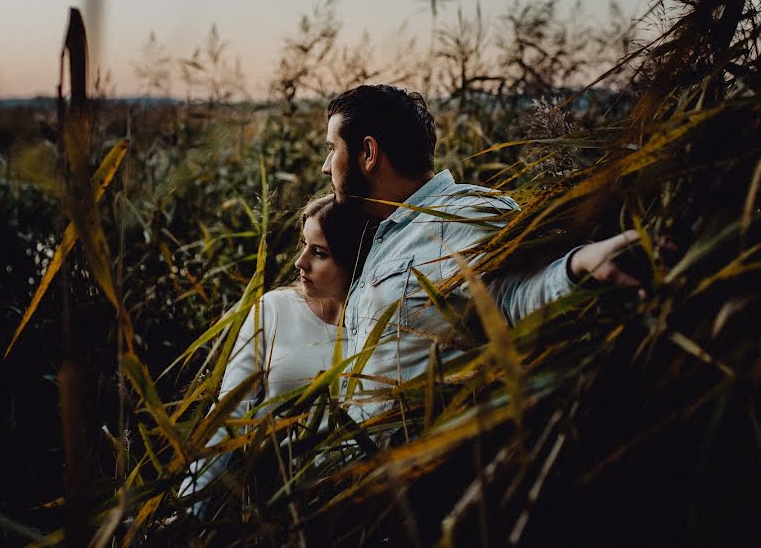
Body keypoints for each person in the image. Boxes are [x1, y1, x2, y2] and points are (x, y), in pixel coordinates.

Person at [321, 85, 643, 422]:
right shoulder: (385, 230)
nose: (327, 167)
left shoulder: (462, 215)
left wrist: (578, 267)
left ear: (368, 153)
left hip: (426, 464)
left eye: (333, 149)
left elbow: (515, 297)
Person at [177, 194, 372, 517]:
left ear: (354, 257)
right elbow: (229, 416)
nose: (301, 262)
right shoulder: (274, 308)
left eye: (319, 252)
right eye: (303, 244)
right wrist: (187, 510)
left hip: (347, 512)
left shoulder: (374, 327)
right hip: (266, 508)